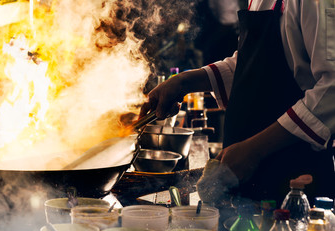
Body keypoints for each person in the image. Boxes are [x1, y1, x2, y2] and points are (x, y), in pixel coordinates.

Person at [140, 0, 335, 205]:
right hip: (253, 180)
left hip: (295, 186)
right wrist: (183, 82)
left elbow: (331, 90)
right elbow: (251, 69)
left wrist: (254, 150)